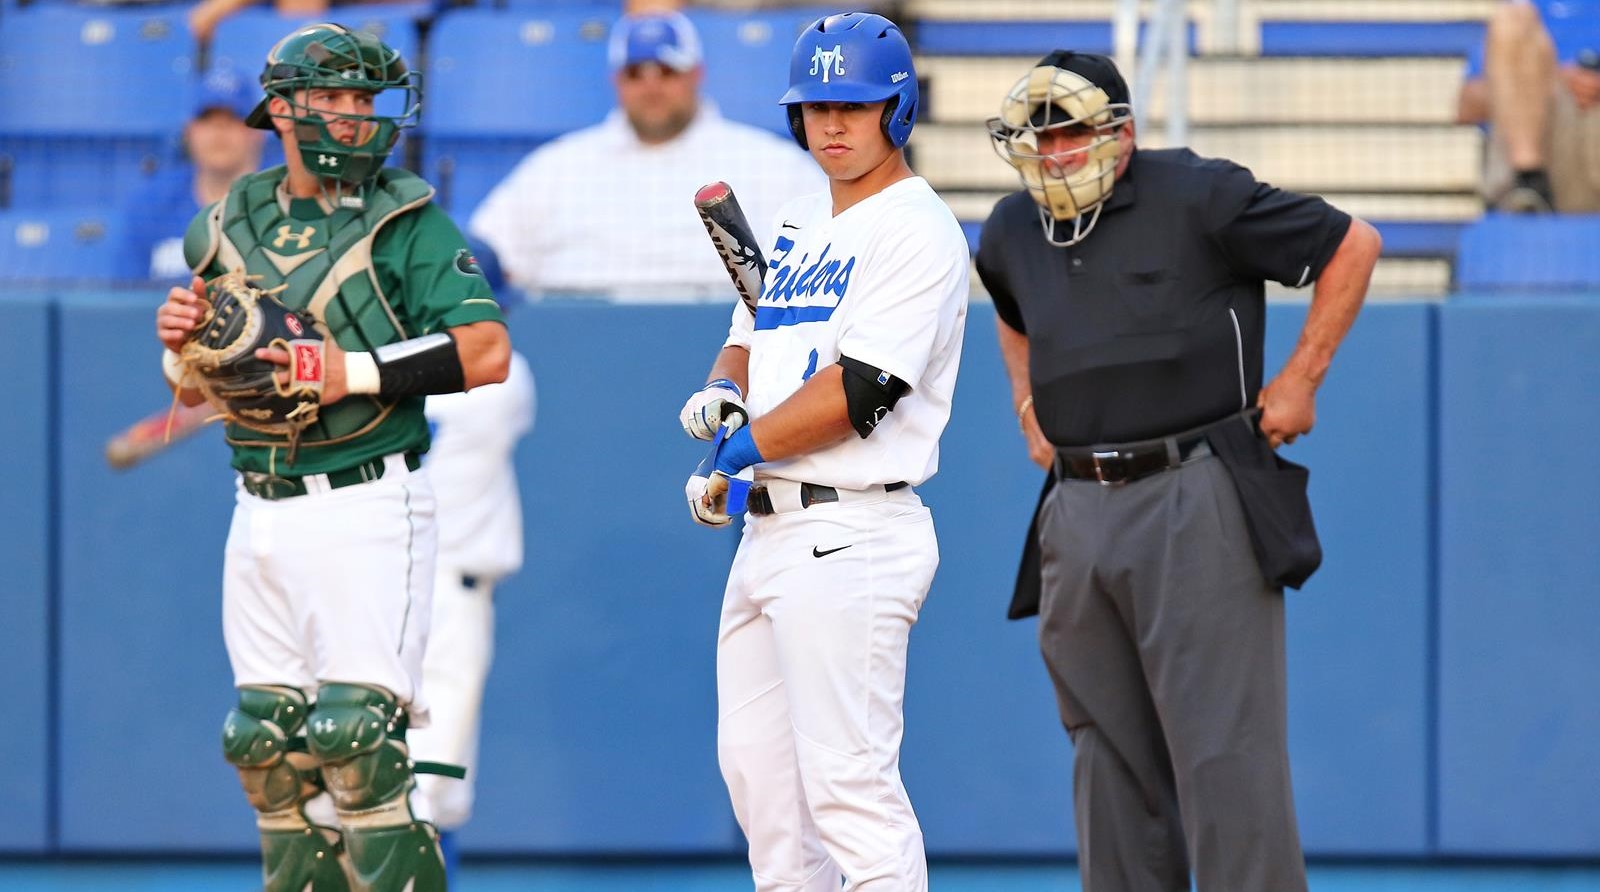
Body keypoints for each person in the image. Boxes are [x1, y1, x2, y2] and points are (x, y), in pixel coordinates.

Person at [976, 52, 1381, 892]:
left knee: (1227, 758)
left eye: (1072, 132)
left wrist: (1301, 378)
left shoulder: (1200, 193)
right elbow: (1009, 309)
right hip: (1076, 508)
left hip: (1196, 492)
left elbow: (1352, 242)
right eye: (1038, 136)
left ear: (1120, 134)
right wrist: (1025, 406)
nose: (1052, 152)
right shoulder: (1012, 227)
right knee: (1106, 759)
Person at [153, 22, 511, 892]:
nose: (356, 118)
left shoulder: (406, 219)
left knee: (356, 739)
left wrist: (348, 368)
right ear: (280, 108)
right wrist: (180, 348)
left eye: (366, 100)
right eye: (336, 98)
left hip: (366, 501)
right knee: (265, 744)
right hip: (259, 501)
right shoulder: (226, 222)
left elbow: (487, 350)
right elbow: (202, 385)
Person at [679, 13, 969, 891]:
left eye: (854, 104)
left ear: (898, 109)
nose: (832, 123)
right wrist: (727, 387)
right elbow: (753, 333)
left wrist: (734, 454)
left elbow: (860, 391)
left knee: (850, 791)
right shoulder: (801, 218)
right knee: (765, 793)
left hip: (855, 531)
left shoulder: (918, 227)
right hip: (770, 533)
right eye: (814, 106)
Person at [468, 9, 824, 299]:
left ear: (696, 74)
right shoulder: (557, 166)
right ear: (616, 80)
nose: (651, 87)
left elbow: (828, 254)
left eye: (667, 71)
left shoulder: (769, 162)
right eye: (636, 73)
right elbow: (482, 258)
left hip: (723, 342)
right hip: (578, 340)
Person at [409, 340, 536, 884]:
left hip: (385, 585)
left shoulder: (377, 371)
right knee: (429, 785)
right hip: (445, 594)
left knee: (429, 784)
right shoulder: (505, 377)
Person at [122, 66, 264, 282]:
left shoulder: (281, 202)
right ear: (189, 131)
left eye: (232, 119)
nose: (219, 130)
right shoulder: (151, 204)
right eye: (207, 120)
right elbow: (125, 300)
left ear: (256, 131)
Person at [1457, 0, 1600, 212]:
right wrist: (1550, 81)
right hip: (1544, 146)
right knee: (1512, 19)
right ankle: (1529, 185)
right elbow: (1467, 108)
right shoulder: (1523, 15)